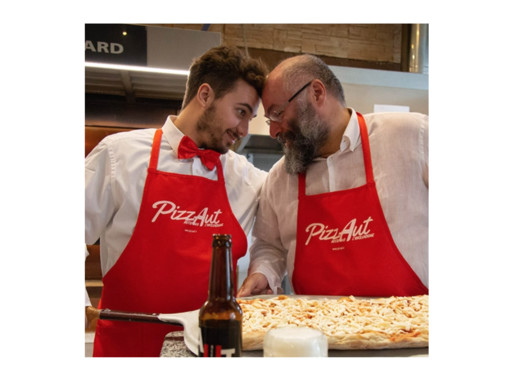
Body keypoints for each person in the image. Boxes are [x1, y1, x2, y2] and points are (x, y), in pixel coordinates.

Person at [85, 46, 268, 357]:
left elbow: (273, 238)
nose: (243, 130)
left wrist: (263, 269)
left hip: (213, 351)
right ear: (206, 95)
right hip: (128, 349)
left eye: (249, 118)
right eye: (240, 112)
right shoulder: (119, 155)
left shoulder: (247, 178)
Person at [238, 54, 428, 298]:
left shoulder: (413, 135)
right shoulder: (280, 178)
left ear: (317, 93)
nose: (273, 130)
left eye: (278, 114)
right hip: (314, 331)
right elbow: (269, 246)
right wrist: (262, 274)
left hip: (411, 329)